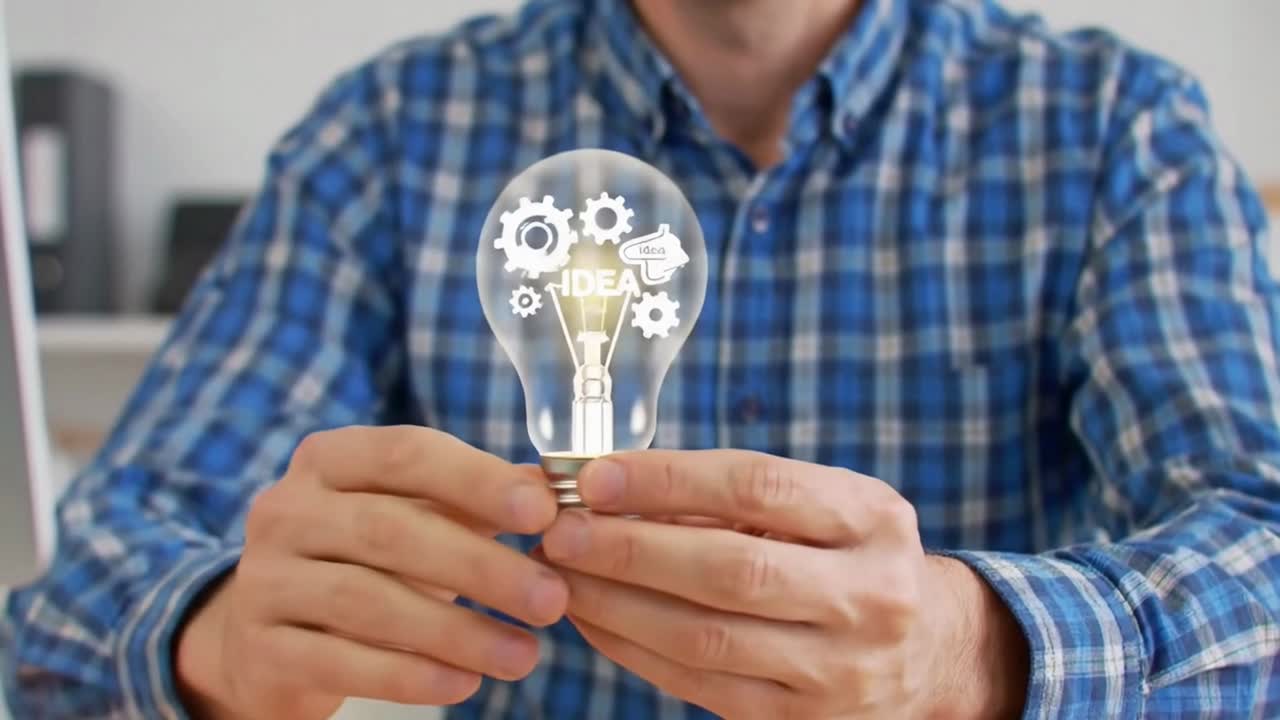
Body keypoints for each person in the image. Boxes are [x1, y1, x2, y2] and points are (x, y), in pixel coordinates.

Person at [5, 0, 1279, 716]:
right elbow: (79, 593)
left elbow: (1259, 535)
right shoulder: (390, 132)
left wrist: (981, 647)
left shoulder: (1113, 129)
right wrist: (210, 637)